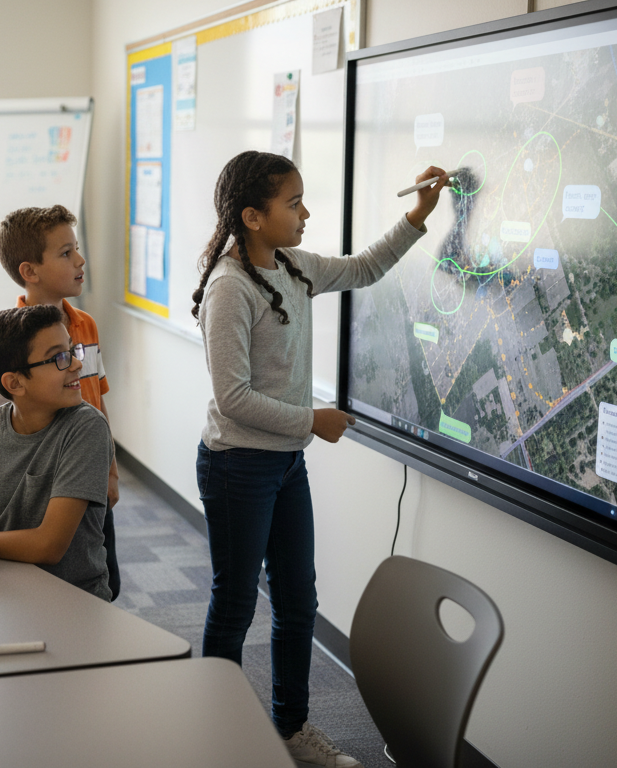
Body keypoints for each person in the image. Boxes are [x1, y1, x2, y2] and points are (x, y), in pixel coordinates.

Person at [192, 151, 448, 767]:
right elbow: (233, 399)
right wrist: (313, 420)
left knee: (298, 601)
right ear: (253, 217)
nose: (306, 213)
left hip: (284, 465)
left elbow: (364, 267)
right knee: (234, 604)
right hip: (237, 467)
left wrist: (418, 216)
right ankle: (212, 731)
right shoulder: (229, 289)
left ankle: (291, 726)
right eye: (294, 203)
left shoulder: (295, 267)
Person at [0, 205, 122, 600]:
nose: (80, 260)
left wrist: (111, 470)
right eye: (66, 252)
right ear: (30, 271)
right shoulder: (8, 345)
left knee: (97, 567)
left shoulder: (85, 325)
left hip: (85, 466)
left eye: (77, 249)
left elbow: (98, 404)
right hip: (32, 485)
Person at [0, 304, 113, 600]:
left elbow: (49, 546)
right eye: (58, 357)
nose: (76, 364)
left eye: (72, 350)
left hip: (72, 597)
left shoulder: (87, 427)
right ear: (14, 383)